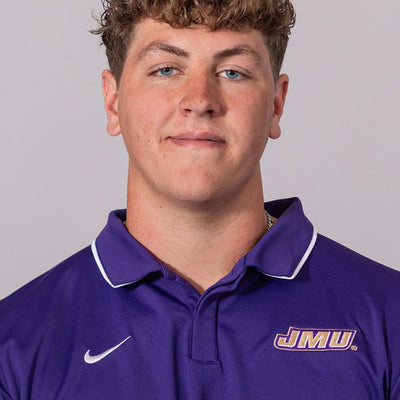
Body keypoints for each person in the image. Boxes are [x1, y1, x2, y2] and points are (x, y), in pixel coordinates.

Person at [0, 0, 399, 398]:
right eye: (166, 69)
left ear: (276, 105)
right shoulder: (14, 342)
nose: (200, 99)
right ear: (113, 101)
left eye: (232, 72)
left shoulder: (389, 317)